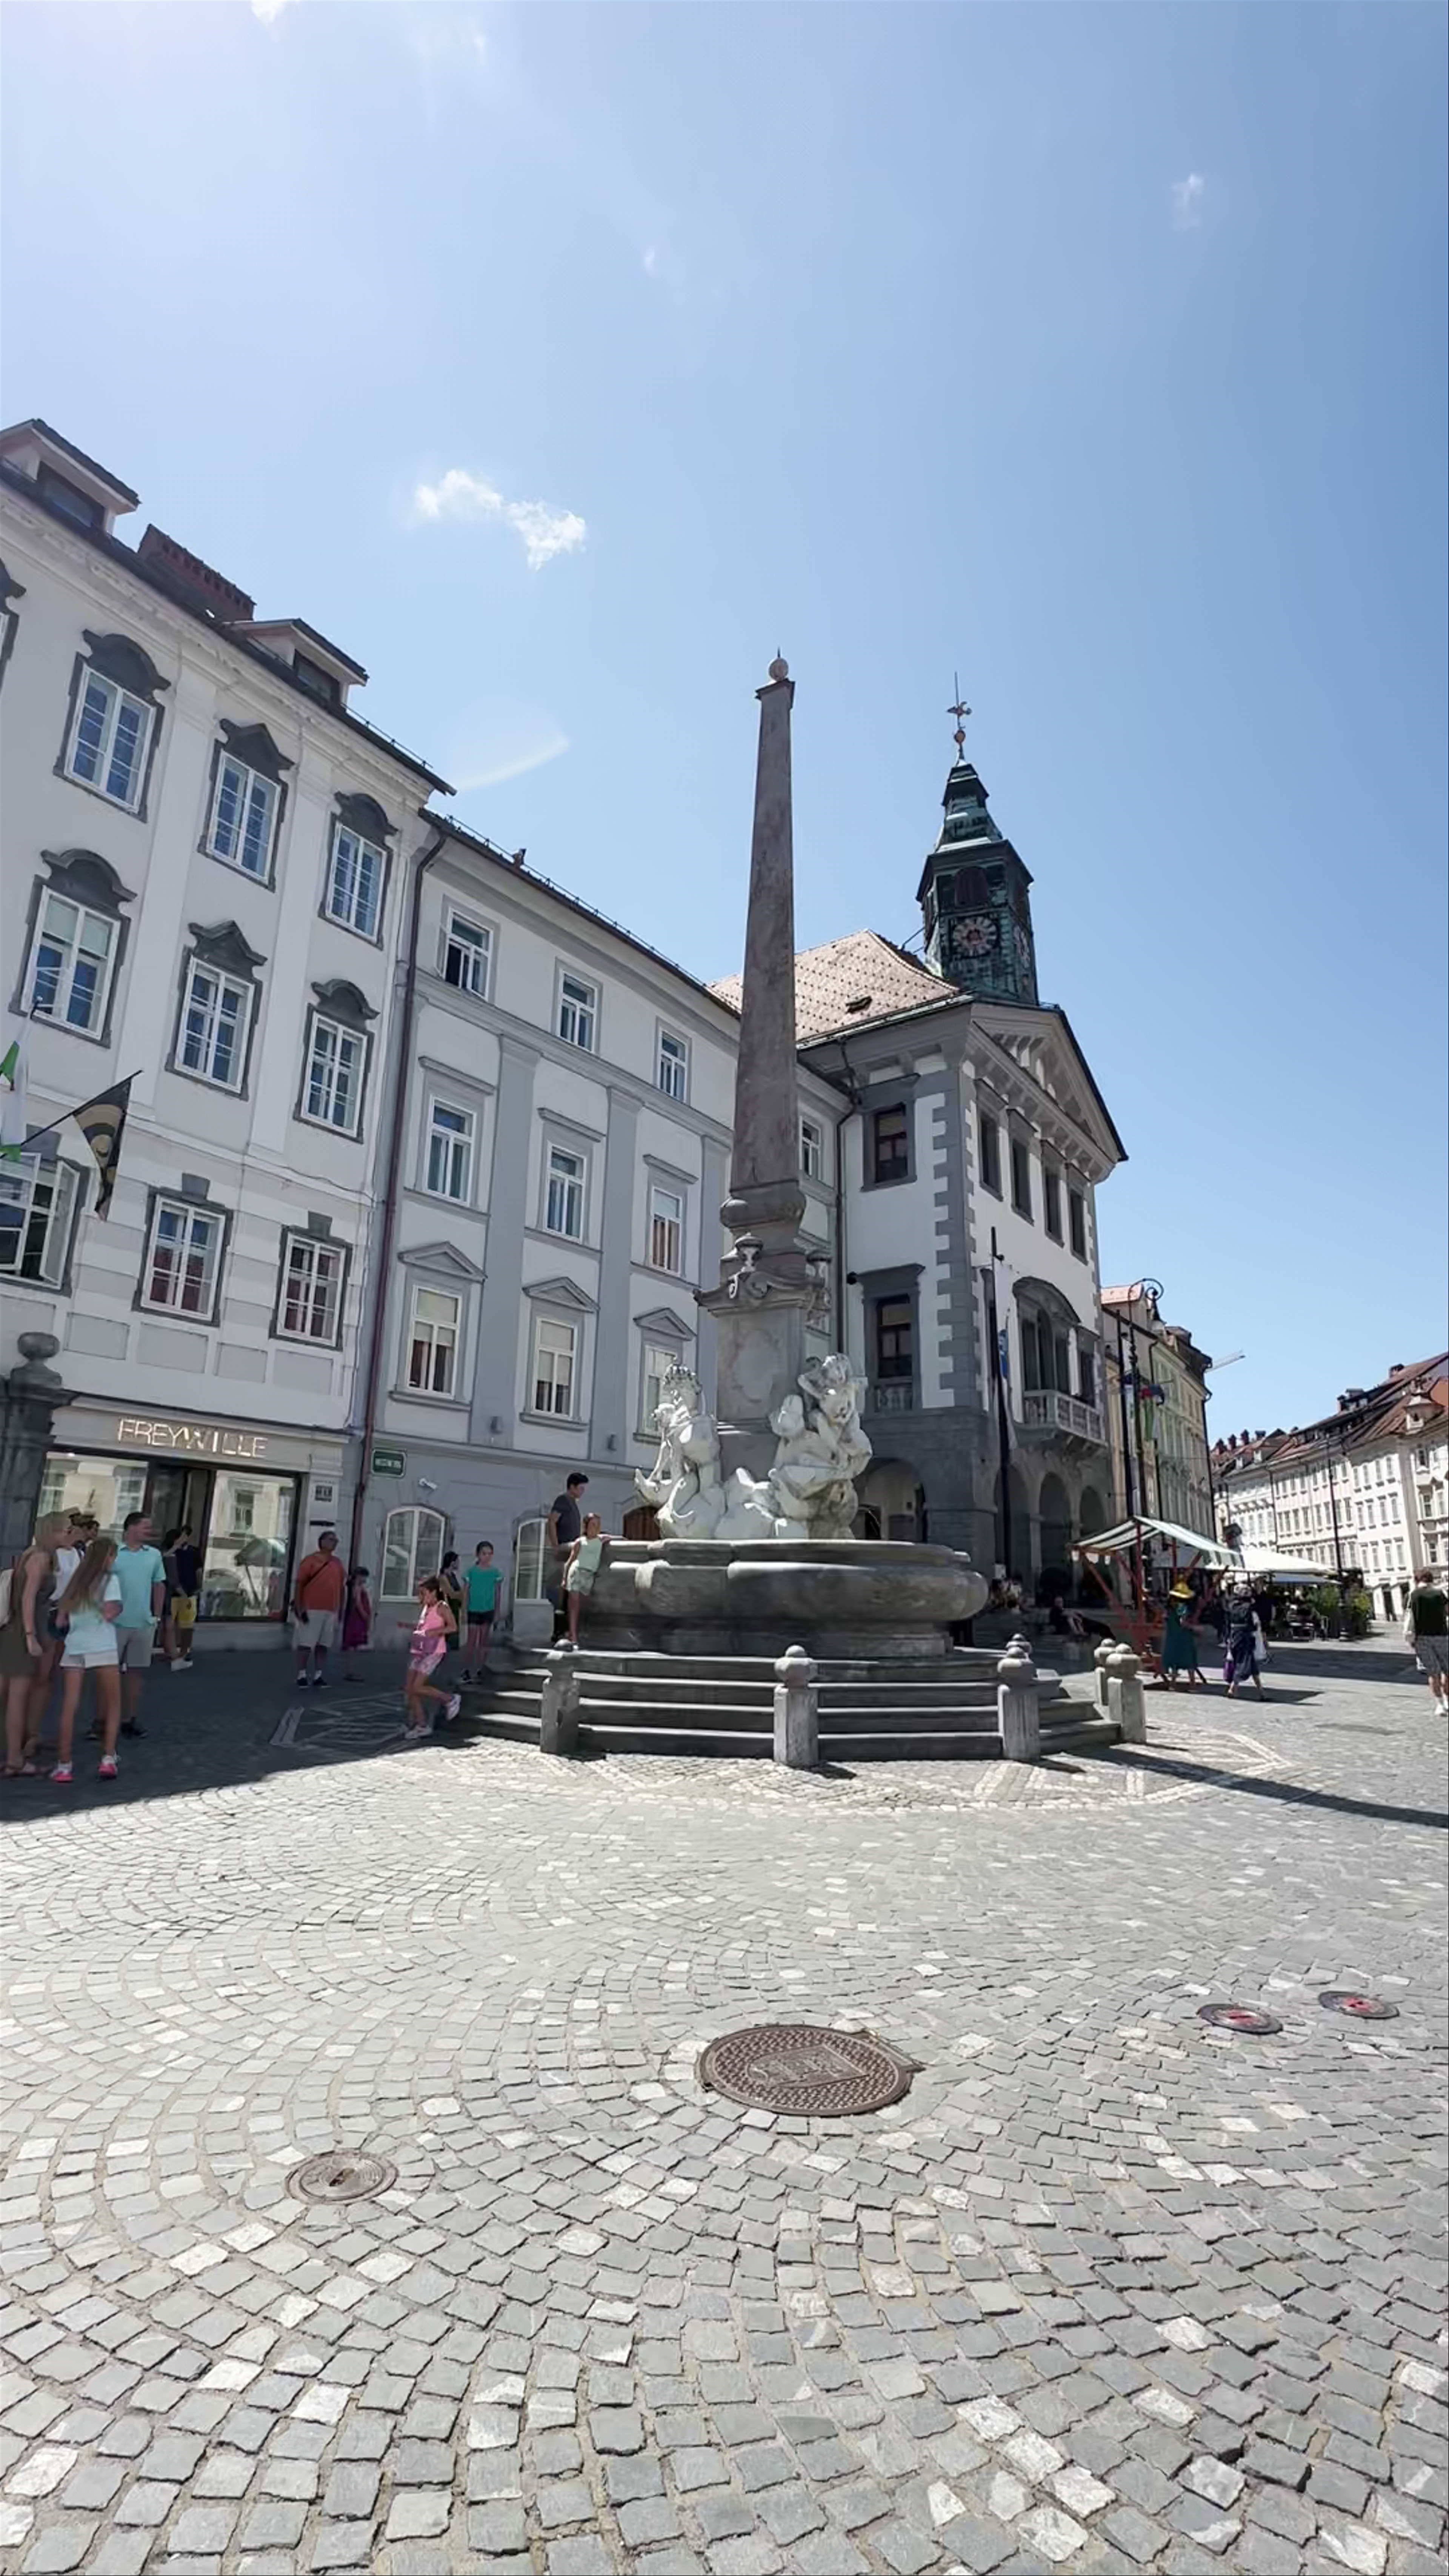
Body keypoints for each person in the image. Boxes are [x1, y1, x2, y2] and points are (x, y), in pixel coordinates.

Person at [2, 1513, 70, 1778]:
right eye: (66, 1530)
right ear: (52, 1532)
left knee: (8, 1697)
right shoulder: (40, 1557)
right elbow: (29, 1599)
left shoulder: (33, 1554)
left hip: (15, 1631)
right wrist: (31, 1636)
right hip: (21, 1632)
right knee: (17, 1699)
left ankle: (12, 1756)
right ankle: (15, 1760)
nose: (69, 1534)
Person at [52, 1537, 124, 1784]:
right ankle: (108, 1759)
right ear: (107, 1557)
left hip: (75, 1646)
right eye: (113, 1555)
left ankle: (64, 1765)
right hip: (102, 1645)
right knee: (113, 1704)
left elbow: (61, 1621)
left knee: (69, 1706)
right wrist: (114, 1609)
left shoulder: (76, 1583)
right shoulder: (110, 1580)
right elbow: (110, 1611)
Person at [112, 1513, 168, 1739]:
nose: (150, 1531)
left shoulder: (154, 1555)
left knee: (135, 1675)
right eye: (145, 1527)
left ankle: (129, 1719)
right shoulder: (113, 1553)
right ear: (131, 1528)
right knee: (108, 1674)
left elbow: (159, 1584)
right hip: (114, 1623)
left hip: (143, 1623)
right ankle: (103, 1720)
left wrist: (156, 1616)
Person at [399, 1577, 459, 1739]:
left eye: (424, 1593)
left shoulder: (442, 1607)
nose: (421, 1597)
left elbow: (453, 1627)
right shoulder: (427, 1607)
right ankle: (420, 1724)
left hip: (434, 1652)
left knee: (417, 1687)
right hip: (420, 1650)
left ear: (434, 1592)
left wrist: (436, 1632)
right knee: (409, 1688)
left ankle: (450, 1699)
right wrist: (408, 1626)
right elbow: (423, 1627)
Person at [291, 1528, 345, 1688]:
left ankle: (318, 1676)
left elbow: (342, 1586)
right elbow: (300, 1584)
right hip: (312, 1608)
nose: (334, 1543)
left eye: (336, 1541)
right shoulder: (310, 1561)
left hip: (330, 1610)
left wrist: (341, 1608)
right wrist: (300, 1607)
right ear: (322, 1542)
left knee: (324, 1645)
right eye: (331, 1540)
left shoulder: (338, 1563)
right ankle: (301, 1675)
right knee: (306, 1644)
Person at [546, 1475, 589, 1617]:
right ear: (572, 1487)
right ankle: (559, 1620)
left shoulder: (573, 1503)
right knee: (561, 1586)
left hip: (572, 1550)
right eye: (581, 1488)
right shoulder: (563, 1501)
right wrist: (556, 1546)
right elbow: (552, 1522)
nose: (583, 1492)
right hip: (564, 1549)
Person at [1405, 1569, 1448, 1708]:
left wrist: (1410, 1639)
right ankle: (1448, 1700)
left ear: (1417, 1580)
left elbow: (1408, 1618)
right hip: (1442, 1636)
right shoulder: (1440, 1594)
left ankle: (1440, 1705)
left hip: (1422, 1638)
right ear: (1432, 1580)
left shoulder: (1412, 1595)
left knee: (1433, 1673)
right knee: (1447, 1670)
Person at [561, 1514, 607, 1646]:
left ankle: (573, 1632)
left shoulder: (601, 1540)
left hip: (589, 1575)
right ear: (586, 1526)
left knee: (583, 1607)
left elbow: (618, 1538)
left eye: (598, 1525)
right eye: (593, 1525)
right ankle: (574, 1637)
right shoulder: (580, 1542)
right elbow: (570, 1561)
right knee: (574, 1605)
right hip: (577, 1573)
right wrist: (564, 1579)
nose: (596, 1528)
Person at [162, 1524, 201, 1670]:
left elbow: (198, 1570)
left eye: (186, 1536)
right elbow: (171, 1572)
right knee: (170, 1624)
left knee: (185, 1625)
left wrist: (198, 1587)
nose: (184, 1539)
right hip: (172, 1594)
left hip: (187, 1592)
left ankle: (182, 1653)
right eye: (181, 1536)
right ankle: (172, 1654)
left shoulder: (193, 1552)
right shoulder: (171, 1553)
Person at [462, 1542, 500, 1680]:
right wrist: (464, 1611)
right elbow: (465, 1593)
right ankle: (466, 1669)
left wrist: (497, 1612)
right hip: (473, 1610)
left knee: (483, 1642)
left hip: (488, 1610)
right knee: (471, 1641)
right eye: (484, 1554)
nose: (487, 1557)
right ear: (478, 1555)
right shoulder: (471, 1572)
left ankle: (480, 1669)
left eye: (490, 1554)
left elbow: (497, 1594)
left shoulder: (495, 1573)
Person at [1159, 1581, 1206, 1691]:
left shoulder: (1168, 1608)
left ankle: (1173, 1684)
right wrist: (1196, 1628)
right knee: (1189, 1661)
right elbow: (1183, 1623)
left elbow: (1165, 1620)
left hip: (1172, 1636)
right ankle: (1193, 1685)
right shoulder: (1182, 1607)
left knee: (1174, 1662)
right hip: (1183, 1637)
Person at [1223, 1583, 1264, 1700]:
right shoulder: (1248, 1608)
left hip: (1234, 1635)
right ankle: (1233, 1688)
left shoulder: (1231, 1606)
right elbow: (1249, 1625)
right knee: (1243, 1663)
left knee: (1251, 1666)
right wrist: (1256, 1628)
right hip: (1245, 1637)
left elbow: (1227, 1623)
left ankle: (1262, 1693)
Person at [341, 1565, 373, 1679]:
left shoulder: (355, 1586)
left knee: (353, 1646)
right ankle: (350, 1671)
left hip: (356, 1617)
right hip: (356, 1618)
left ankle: (351, 1670)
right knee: (352, 1645)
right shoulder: (357, 1587)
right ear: (359, 1576)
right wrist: (365, 1615)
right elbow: (358, 1602)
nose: (365, 1580)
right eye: (364, 1577)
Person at [436, 1552, 465, 1659]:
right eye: (457, 1562)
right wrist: (462, 1594)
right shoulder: (443, 1577)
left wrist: (461, 1595)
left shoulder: (452, 1576)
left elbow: (458, 1593)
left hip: (454, 1608)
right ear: (452, 1563)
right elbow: (451, 1594)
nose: (458, 1564)